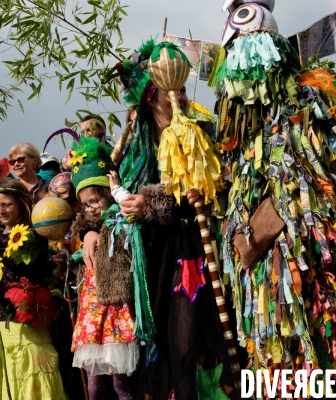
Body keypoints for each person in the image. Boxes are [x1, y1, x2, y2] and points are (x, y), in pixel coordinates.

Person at [115, 39, 238, 399]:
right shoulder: (138, 147)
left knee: (194, 337)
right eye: (169, 91)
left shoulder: (202, 131)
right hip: (158, 255)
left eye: (182, 88)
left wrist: (153, 202)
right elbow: (117, 198)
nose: (178, 96)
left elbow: (219, 186)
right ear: (148, 99)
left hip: (202, 245)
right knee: (171, 342)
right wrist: (125, 207)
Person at [0, 179, 66, 400]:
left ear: (22, 204)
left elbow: (30, 267)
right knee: (5, 375)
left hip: (25, 316)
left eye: (7, 204)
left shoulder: (34, 233)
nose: (1, 210)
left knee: (30, 372)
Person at [69, 136, 137, 399]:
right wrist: (87, 234)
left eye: (96, 200)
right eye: (85, 204)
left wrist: (119, 192)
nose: (90, 209)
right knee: (95, 386)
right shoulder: (86, 231)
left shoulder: (119, 224)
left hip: (116, 314)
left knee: (122, 385)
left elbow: (125, 214)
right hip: (91, 316)